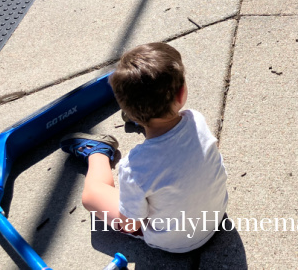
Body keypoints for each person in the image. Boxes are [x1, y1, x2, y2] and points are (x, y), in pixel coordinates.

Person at [60, 42, 228, 253]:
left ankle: (98, 153)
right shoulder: (197, 121)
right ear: (181, 94)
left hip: (175, 243)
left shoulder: (134, 168)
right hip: (216, 216)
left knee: (91, 195)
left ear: (128, 110)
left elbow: (131, 224)